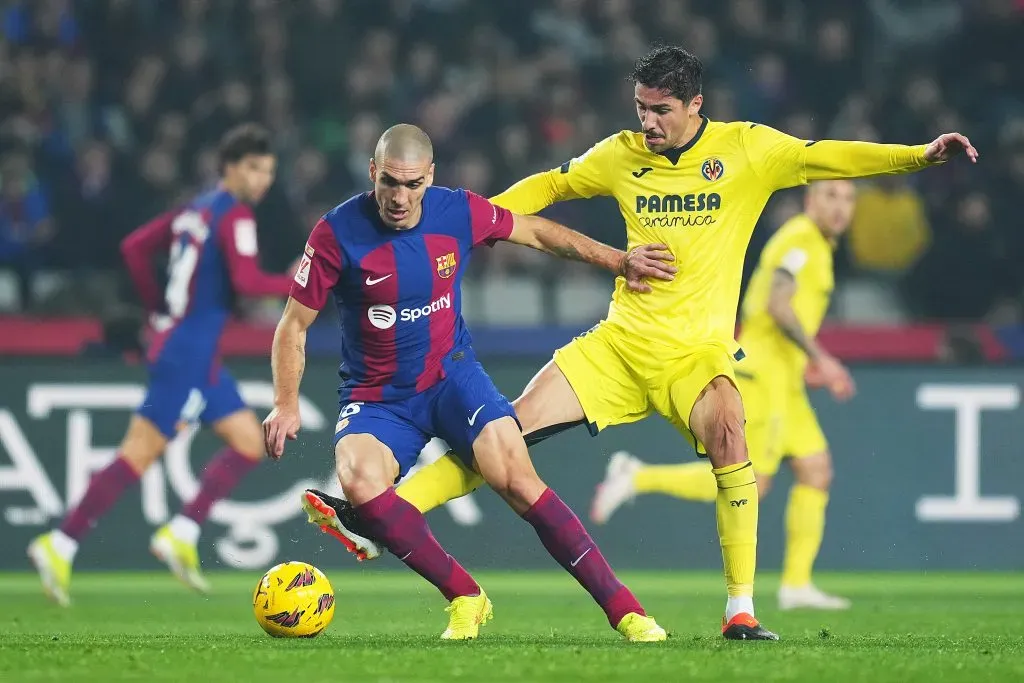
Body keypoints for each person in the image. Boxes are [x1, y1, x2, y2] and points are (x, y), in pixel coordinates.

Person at [302, 46, 978, 641]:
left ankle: (740, 609)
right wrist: (474, 221)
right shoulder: (621, 155)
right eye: (638, 107)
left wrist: (915, 156)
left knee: (731, 434)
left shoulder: (747, 149)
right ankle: (378, 515)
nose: (645, 121)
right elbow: (556, 186)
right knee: (505, 438)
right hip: (620, 347)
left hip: (695, 356)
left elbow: (823, 156)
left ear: (694, 105)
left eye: (658, 109)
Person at [261, 124, 672, 642]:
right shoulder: (335, 232)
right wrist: (285, 403)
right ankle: (465, 597)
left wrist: (618, 260)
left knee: (517, 479)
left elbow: (539, 231)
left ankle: (626, 612)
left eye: (413, 184)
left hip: (453, 377)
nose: (400, 197)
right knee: (359, 479)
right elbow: (293, 325)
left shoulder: (457, 210)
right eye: (390, 182)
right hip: (378, 397)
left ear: (430, 177)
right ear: (373, 173)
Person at [28, 123, 296, 605]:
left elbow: (134, 249)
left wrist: (159, 312)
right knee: (138, 453)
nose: (263, 180)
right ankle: (60, 542)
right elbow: (250, 282)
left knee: (248, 440)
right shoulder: (234, 216)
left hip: (188, 347)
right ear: (230, 168)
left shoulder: (194, 210)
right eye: (255, 169)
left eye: (269, 172)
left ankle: (182, 533)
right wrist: (298, 284)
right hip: (188, 353)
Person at [590, 180, 859, 611]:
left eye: (848, 199)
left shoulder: (819, 247)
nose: (840, 207)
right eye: (830, 196)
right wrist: (821, 359)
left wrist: (803, 362)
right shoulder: (800, 239)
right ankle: (637, 475)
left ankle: (796, 585)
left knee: (815, 469)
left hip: (786, 382)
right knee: (754, 480)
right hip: (762, 377)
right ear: (811, 201)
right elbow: (778, 303)